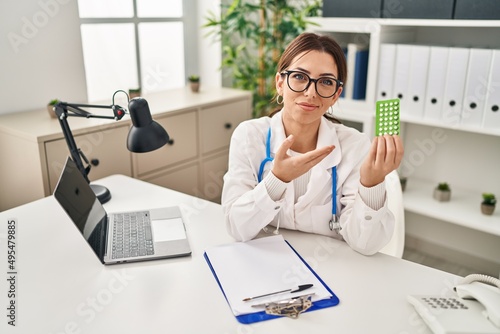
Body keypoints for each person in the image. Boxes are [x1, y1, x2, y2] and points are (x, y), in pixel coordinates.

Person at [221, 32, 404, 255]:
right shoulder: (249, 136)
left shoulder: (355, 146)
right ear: (280, 83)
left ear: (336, 94)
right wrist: (277, 180)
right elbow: (236, 227)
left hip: (329, 266)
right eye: (299, 76)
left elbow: (365, 245)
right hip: (265, 262)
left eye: (326, 82)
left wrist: (372, 184)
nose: (310, 93)